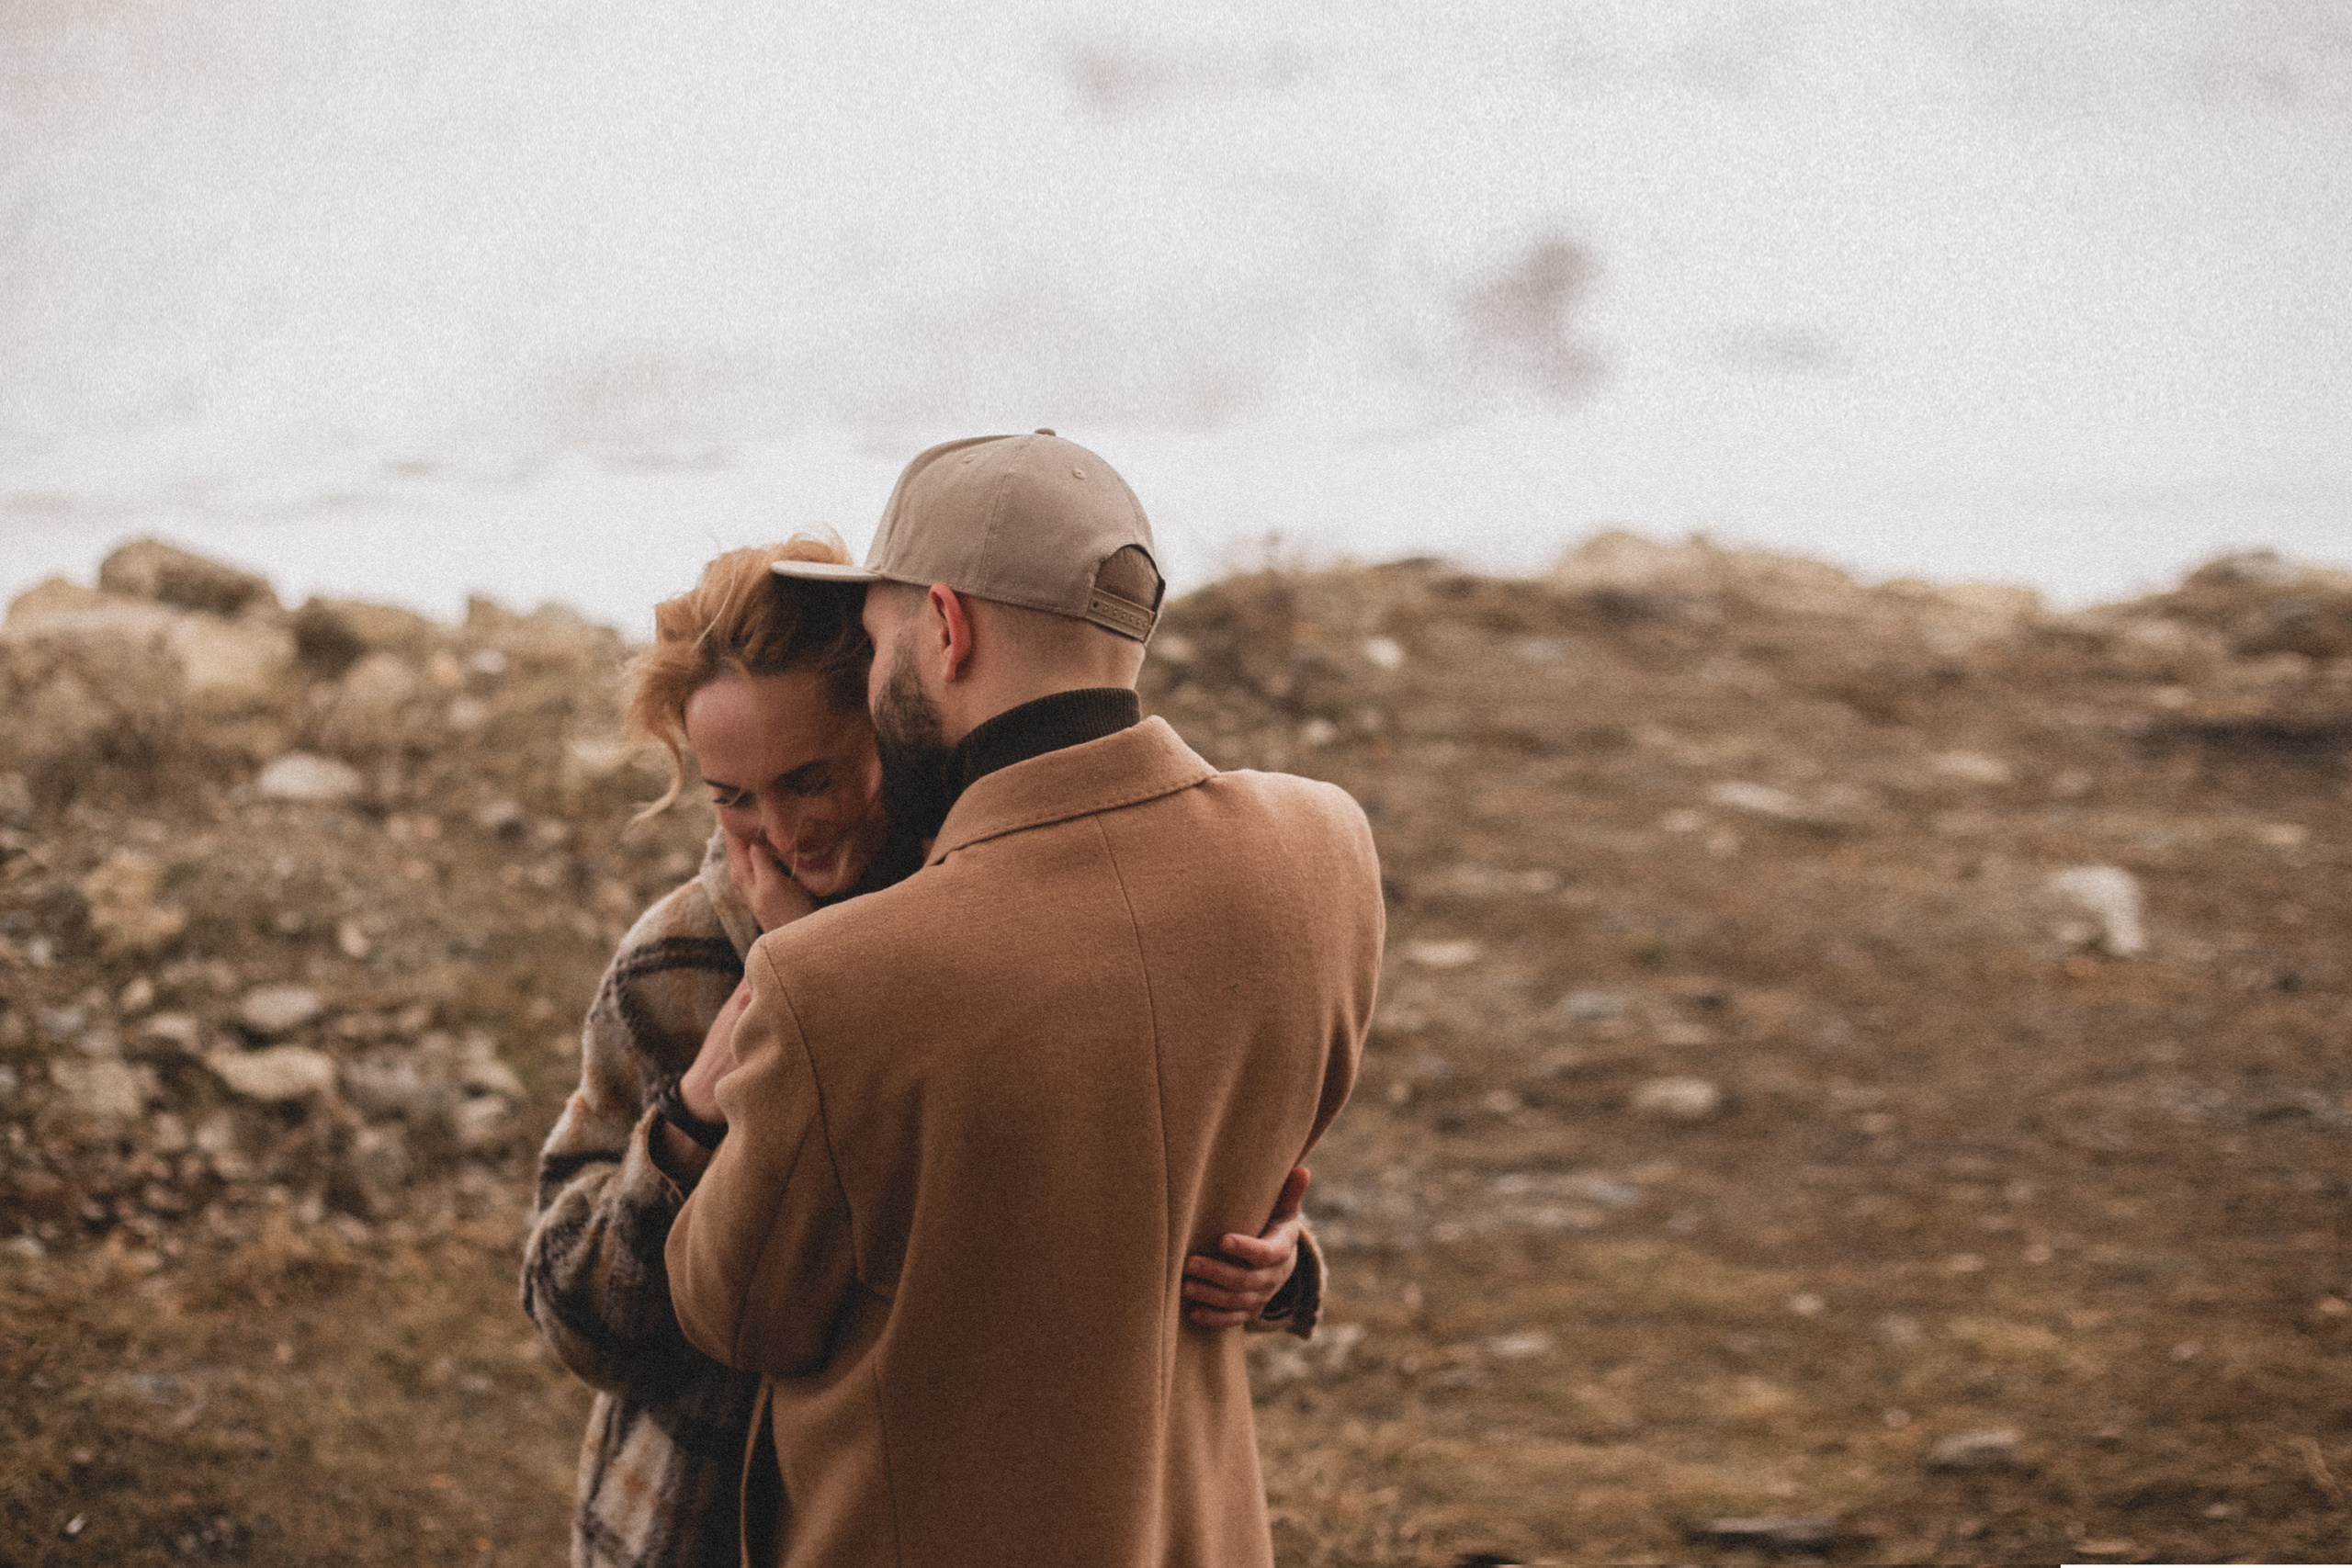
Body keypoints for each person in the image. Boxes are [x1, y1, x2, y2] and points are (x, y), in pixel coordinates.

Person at [520, 535, 1317, 1568]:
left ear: (898, 721)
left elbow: (1109, 1171)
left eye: (811, 779)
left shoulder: (1019, 924)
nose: (778, 835)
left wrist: (1271, 1257)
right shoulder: (676, 965)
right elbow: (580, 1324)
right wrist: (695, 1110)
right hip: (704, 1525)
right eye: (731, 796)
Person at [663, 433, 1385, 1568]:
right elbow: (1206, 1159)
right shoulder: (1325, 850)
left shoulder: (833, 981)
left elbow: (734, 1311)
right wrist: (1280, 1252)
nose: (866, 669)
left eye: (873, 634)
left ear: (945, 630)